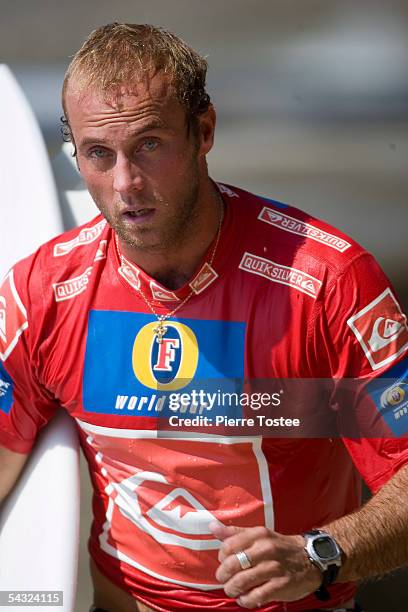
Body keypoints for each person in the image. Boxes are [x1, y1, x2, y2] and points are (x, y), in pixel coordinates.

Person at [1, 22, 408, 612]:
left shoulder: (326, 284)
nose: (125, 185)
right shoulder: (45, 292)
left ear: (204, 131)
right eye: (98, 154)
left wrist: (321, 553)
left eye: (149, 145)